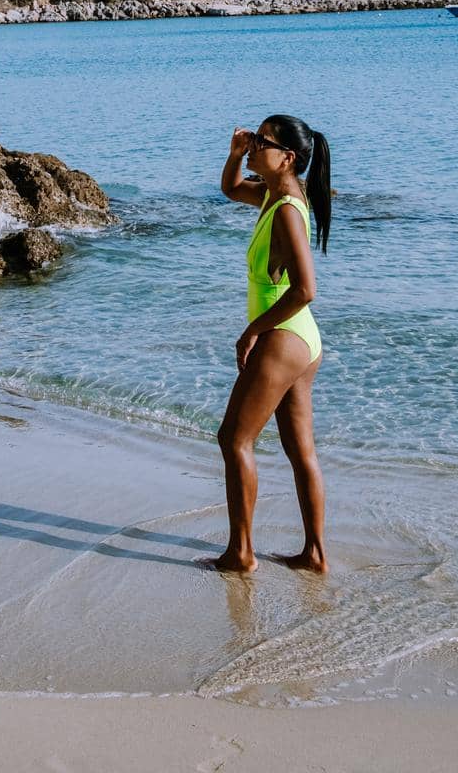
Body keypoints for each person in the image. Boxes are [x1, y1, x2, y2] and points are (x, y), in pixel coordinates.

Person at [197, 115, 332, 574]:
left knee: (234, 438)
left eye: (261, 142)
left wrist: (253, 331)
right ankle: (314, 555)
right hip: (302, 339)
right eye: (253, 138)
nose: (253, 146)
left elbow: (305, 289)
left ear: (287, 158)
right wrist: (235, 154)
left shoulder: (289, 210)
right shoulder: (273, 195)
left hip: (284, 335)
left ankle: (241, 553)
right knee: (300, 452)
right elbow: (232, 189)